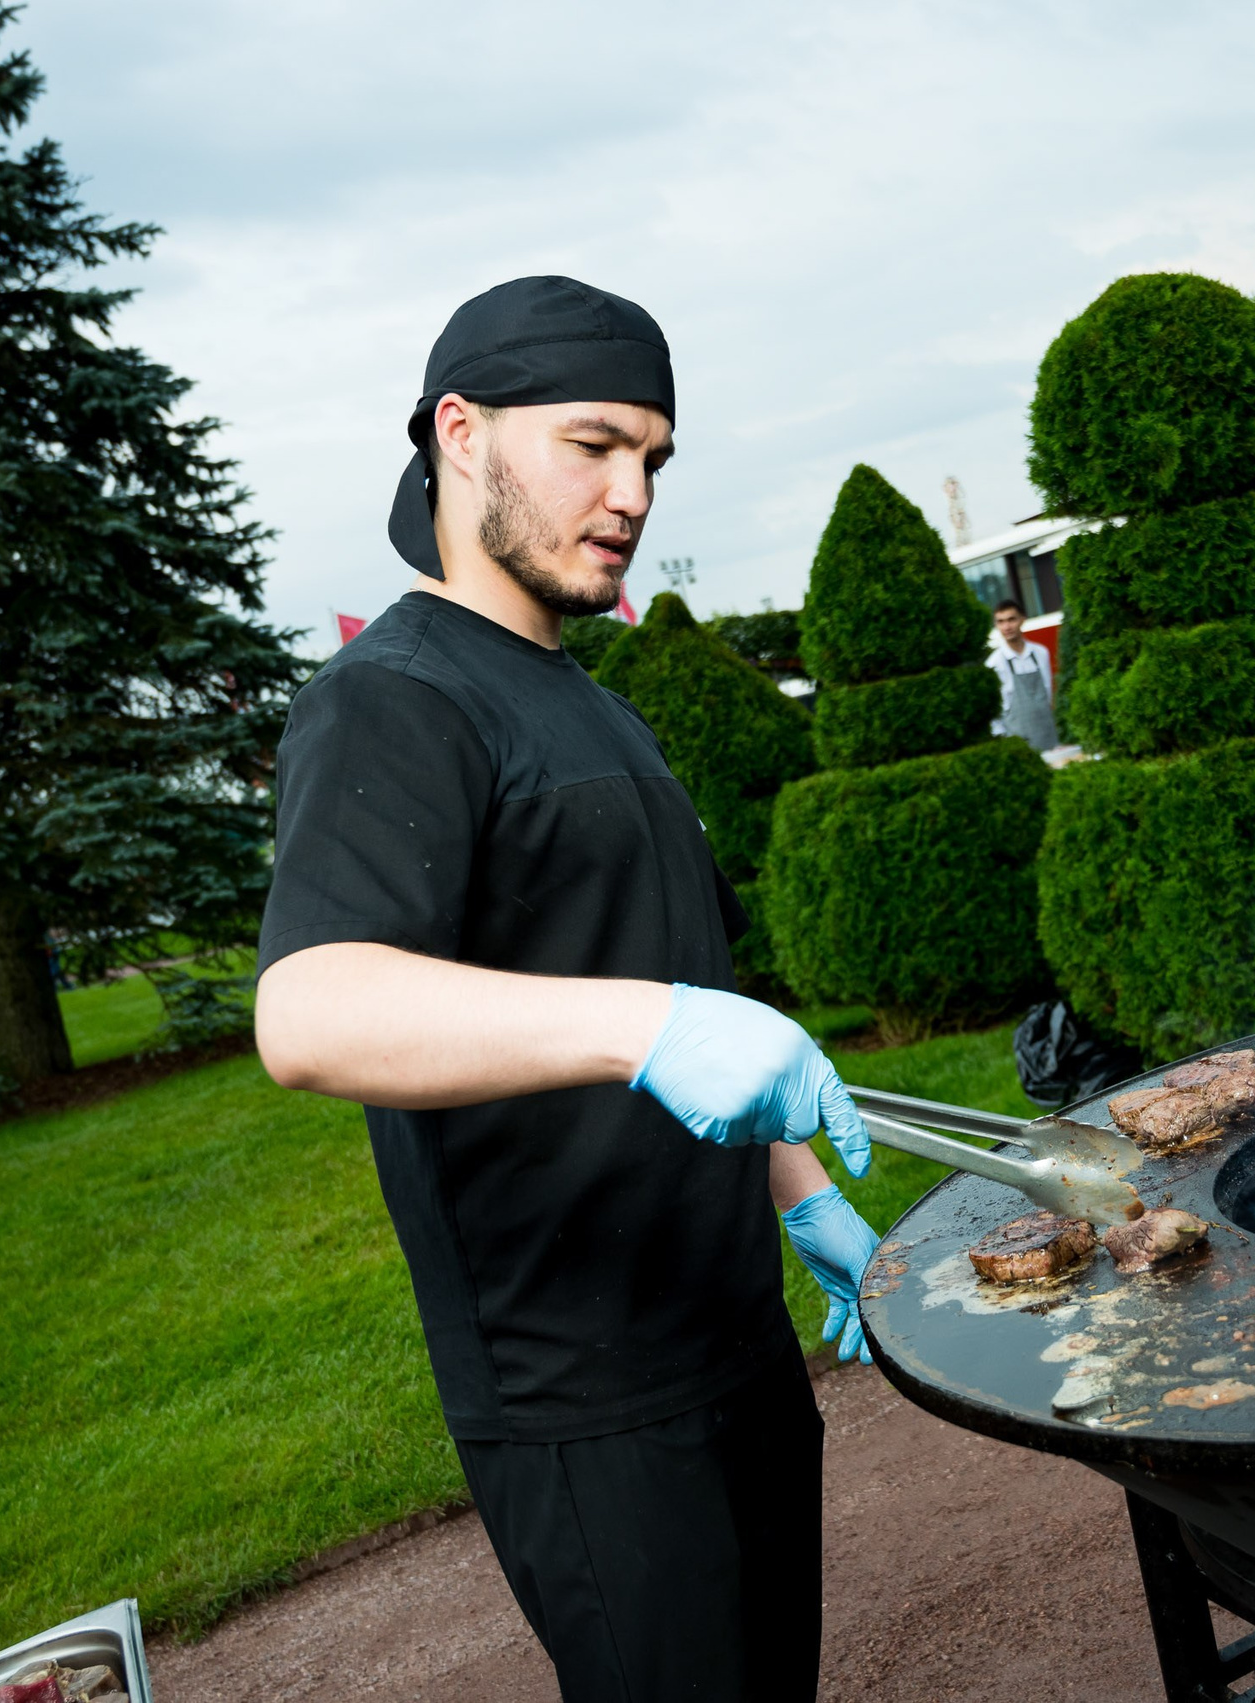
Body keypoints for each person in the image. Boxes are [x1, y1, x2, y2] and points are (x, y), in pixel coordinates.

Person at [252, 276, 876, 1703]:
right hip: (583, 1390)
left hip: (729, 1333)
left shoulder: (596, 702)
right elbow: (311, 1008)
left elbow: (689, 1002)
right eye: (592, 444)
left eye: (651, 456)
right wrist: (645, 1025)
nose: (631, 492)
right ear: (459, 432)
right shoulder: (392, 695)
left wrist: (798, 1192)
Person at [985, 599, 1058, 751]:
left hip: (1049, 735)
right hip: (1017, 743)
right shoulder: (994, 663)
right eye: (1001, 622)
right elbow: (993, 712)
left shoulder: (1040, 652)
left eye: (1011, 619)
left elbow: (1048, 693)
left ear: (1022, 619)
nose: (1007, 627)